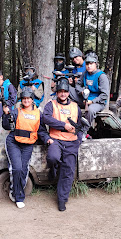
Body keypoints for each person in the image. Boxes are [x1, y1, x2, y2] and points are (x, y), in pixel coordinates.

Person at [2, 87, 52, 209]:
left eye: (28, 98)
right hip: (13, 142)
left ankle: (15, 190)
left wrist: (47, 139)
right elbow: (6, 125)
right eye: (24, 98)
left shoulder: (38, 114)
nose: (26, 100)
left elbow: (41, 131)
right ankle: (19, 196)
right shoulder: (16, 111)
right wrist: (6, 114)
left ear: (32, 99)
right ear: (21, 100)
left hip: (28, 144)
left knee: (24, 170)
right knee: (17, 168)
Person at [43, 80, 87, 211]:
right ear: (57, 93)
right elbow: (46, 118)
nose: (63, 94)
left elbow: (80, 125)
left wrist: (78, 139)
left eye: (65, 91)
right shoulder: (51, 105)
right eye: (60, 91)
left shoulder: (75, 106)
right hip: (56, 139)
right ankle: (53, 168)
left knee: (68, 171)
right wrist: (63, 125)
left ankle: (62, 199)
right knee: (52, 157)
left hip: (71, 142)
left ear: (68, 93)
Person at [75, 52, 110, 125]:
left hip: (98, 102)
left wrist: (92, 101)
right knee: (67, 90)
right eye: (87, 64)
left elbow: (104, 95)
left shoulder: (101, 76)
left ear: (96, 64)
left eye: (91, 64)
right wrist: (81, 92)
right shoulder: (85, 73)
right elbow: (78, 85)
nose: (89, 66)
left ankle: (85, 130)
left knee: (90, 110)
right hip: (85, 97)